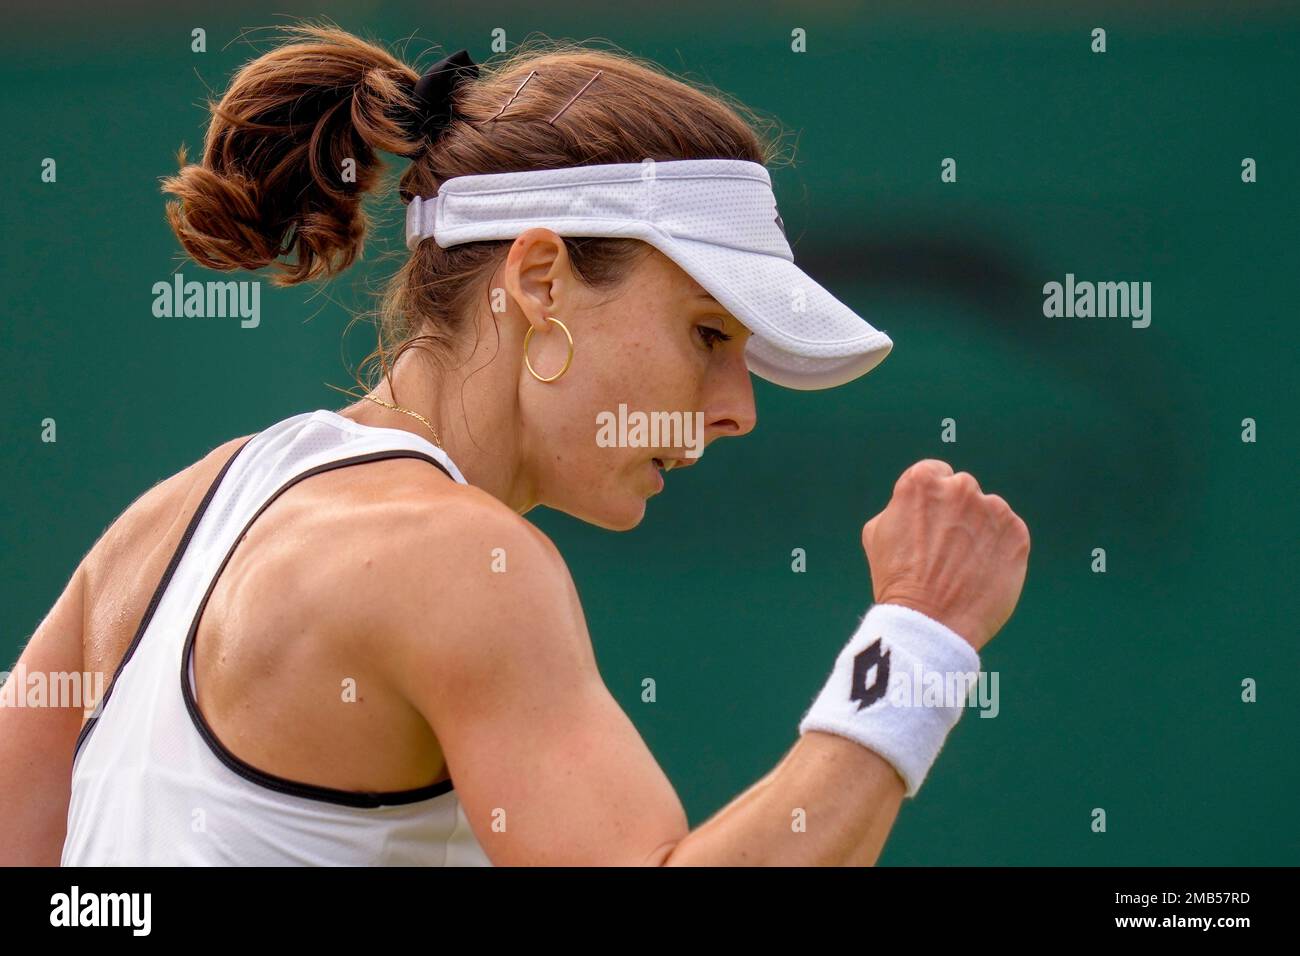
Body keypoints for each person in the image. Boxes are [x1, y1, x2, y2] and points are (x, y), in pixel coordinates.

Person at [0, 25, 1029, 866]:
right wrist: (917, 640)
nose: (736, 408)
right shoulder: (461, 562)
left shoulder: (163, 521)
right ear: (540, 279)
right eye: (707, 334)